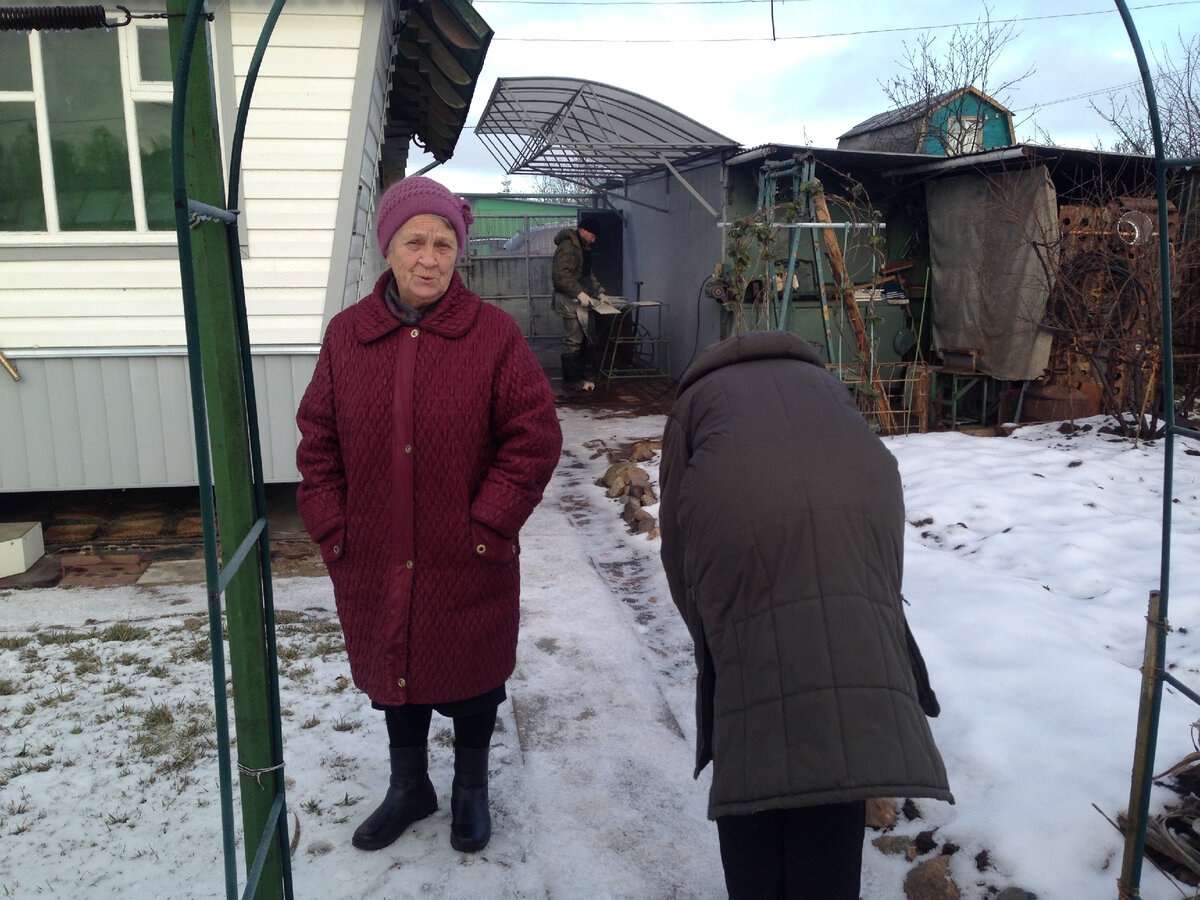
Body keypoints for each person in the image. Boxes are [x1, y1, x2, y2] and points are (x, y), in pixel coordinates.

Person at [295, 175, 563, 855]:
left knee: (475, 681)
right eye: (414, 240)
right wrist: (333, 530)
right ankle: (409, 787)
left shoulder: (493, 335)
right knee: (397, 674)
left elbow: (534, 435)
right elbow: (317, 440)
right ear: (388, 248)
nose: (430, 257)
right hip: (375, 551)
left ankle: (471, 791)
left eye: (444, 243)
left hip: (466, 553)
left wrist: (491, 523)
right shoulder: (348, 336)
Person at [658, 329, 952, 899]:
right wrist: (871, 602)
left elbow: (678, 546)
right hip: (855, 606)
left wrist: (714, 634)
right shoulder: (826, 386)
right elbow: (881, 497)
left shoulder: (694, 404)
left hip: (747, 616)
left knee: (754, 757)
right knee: (836, 755)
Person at [551, 214, 613, 391]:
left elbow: (587, 274)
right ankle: (572, 380)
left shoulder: (582, 247)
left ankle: (580, 376)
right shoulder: (568, 246)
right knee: (573, 340)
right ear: (583, 231)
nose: (594, 240)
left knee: (584, 337)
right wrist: (579, 293)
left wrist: (600, 292)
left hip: (579, 299)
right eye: (593, 236)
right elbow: (560, 275)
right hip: (568, 299)